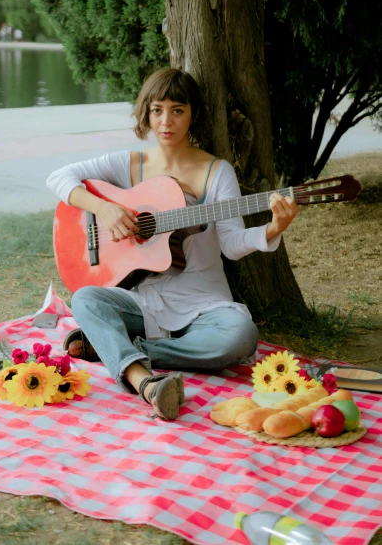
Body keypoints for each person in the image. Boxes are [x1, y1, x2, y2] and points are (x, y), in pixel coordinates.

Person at [46, 68, 299, 421]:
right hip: (141, 300)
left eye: (177, 110)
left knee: (241, 336)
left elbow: (230, 244)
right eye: (157, 110)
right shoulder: (131, 164)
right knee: (87, 297)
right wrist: (105, 208)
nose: (167, 121)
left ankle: (119, 349)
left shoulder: (216, 171)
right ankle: (144, 382)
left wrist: (273, 228)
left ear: (192, 113)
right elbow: (58, 177)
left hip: (202, 304)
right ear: (146, 113)